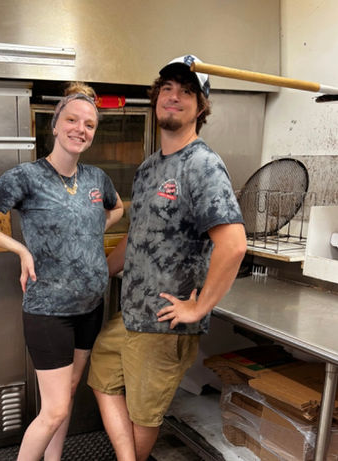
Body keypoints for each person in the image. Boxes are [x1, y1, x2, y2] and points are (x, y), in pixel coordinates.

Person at [87, 55, 247, 461]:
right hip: (131, 313)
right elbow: (137, 238)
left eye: (187, 91)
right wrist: (98, 274)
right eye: (168, 89)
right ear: (156, 97)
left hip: (165, 322)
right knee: (101, 380)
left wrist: (199, 307)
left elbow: (233, 244)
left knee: (144, 414)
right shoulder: (148, 168)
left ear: (201, 107)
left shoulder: (203, 165)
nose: (174, 97)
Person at [0, 82, 124, 461]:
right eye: (72, 120)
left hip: (90, 306)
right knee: (55, 410)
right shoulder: (27, 177)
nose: (80, 129)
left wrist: (89, 230)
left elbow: (116, 209)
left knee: (70, 390)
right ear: (55, 125)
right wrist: (19, 248)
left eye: (89, 125)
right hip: (49, 310)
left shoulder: (97, 179)